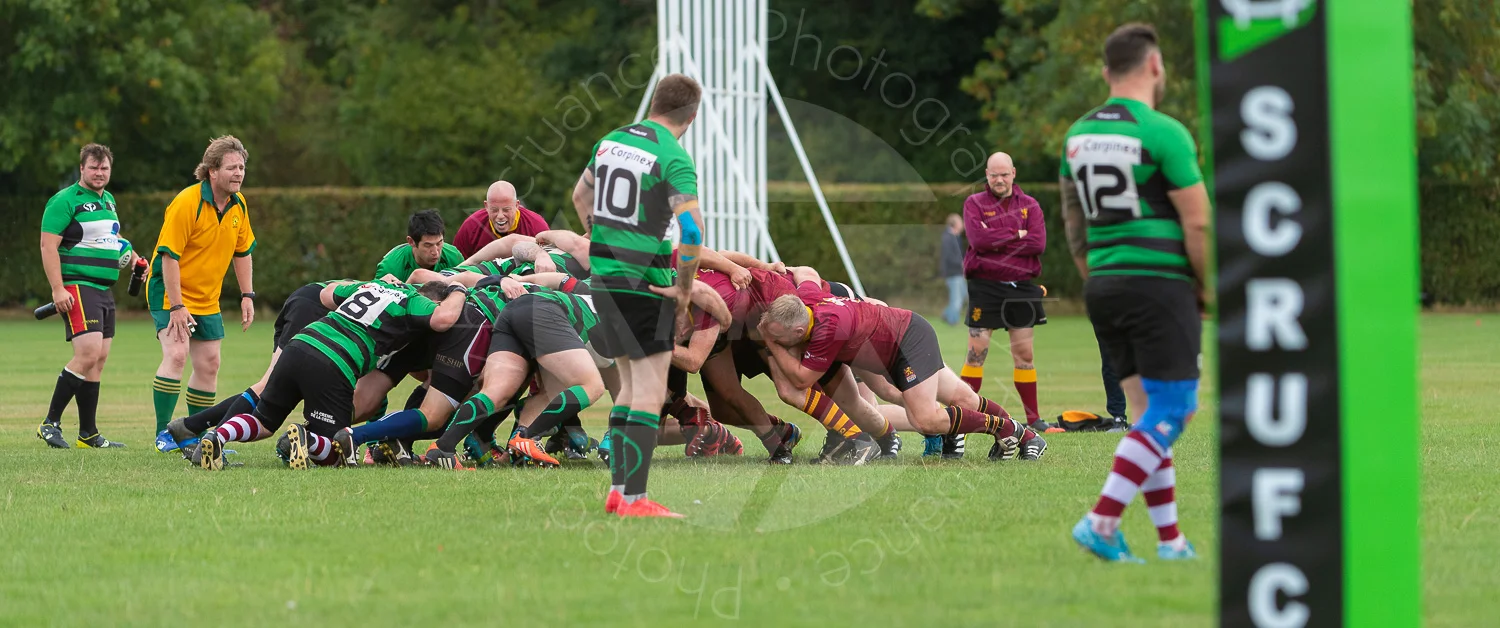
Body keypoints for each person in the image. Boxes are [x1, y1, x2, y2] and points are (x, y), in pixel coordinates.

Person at [1059, 23, 1211, 563]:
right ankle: (1101, 521)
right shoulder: (1164, 132)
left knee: (1145, 410)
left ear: (1106, 73)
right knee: (1176, 407)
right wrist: (1208, 287)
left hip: (1104, 284)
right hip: (1158, 285)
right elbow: (1199, 225)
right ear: (1155, 66)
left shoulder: (1076, 137)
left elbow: (1074, 226)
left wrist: (1096, 276)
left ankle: (1171, 543)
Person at [573, 73, 706, 519]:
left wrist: (600, 240)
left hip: (604, 281)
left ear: (654, 102)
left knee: (629, 387)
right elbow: (691, 230)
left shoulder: (609, 142)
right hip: (646, 285)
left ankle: (618, 492)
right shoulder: (674, 156)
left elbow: (580, 195)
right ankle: (634, 499)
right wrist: (684, 290)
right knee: (649, 391)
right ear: (691, 116)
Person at [198, 279, 466, 470]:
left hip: (300, 344)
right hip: (334, 362)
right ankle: (308, 439)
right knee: (335, 453)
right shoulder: (414, 301)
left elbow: (327, 294)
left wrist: (369, 284)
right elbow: (443, 318)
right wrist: (458, 288)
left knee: (264, 422)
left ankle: (218, 436)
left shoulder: (372, 286)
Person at [756, 287, 1047, 461]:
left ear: (797, 331)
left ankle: (1009, 430)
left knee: (926, 419)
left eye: (779, 338)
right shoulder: (805, 301)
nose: (777, 342)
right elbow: (806, 274)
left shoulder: (827, 328)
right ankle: (1030, 438)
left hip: (908, 342)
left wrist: (767, 341)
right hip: (903, 336)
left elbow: (801, 380)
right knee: (962, 399)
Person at [147, 136, 256, 438]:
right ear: (212, 171)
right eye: (232, 168)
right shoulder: (187, 202)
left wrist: (247, 295)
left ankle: (195, 434)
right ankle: (163, 435)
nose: (239, 173)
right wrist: (178, 306)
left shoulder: (239, 205)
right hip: (169, 291)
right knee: (178, 354)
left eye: (242, 167)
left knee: (209, 364)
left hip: (207, 297)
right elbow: (169, 257)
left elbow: (242, 251)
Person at [37, 143, 133, 449]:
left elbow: (112, 237)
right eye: (94, 167)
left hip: (105, 290)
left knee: (99, 360)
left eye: (104, 168)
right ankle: (50, 423)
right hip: (79, 285)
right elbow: (47, 245)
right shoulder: (64, 200)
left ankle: (88, 434)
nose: (99, 173)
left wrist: (132, 256)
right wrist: (57, 288)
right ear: (82, 168)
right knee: (88, 354)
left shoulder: (108, 200)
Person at [960, 152, 1055, 434]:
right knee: (976, 353)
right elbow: (978, 239)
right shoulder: (974, 203)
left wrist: (997, 238)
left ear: (1013, 173)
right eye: (993, 175)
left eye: (1004, 174)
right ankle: (963, 417)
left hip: (1022, 287)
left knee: (1024, 354)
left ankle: (1034, 418)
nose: (999, 180)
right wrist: (1018, 234)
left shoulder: (1030, 205)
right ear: (986, 175)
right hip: (984, 285)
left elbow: (1037, 243)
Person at [452, 180, 550, 258]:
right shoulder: (471, 226)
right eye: (494, 210)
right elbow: (456, 265)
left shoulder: (537, 226)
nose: (500, 216)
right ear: (486, 206)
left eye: (506, 210)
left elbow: (553, 261)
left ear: (517, 205)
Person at [375, 209, 464, 280]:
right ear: (411, 242)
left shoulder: (454, 256)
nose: (435, 252)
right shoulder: (390, 268)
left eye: (439, 243)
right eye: (428, 245)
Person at [939, 213, 966, 326]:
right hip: (952, 273)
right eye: (960, 222)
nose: (963, 224)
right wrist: (961, 264)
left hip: (959, 273)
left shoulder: (956, 237)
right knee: (956, 300)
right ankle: (952, 321)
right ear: (954, 224)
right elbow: (948, 257)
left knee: (963, 295)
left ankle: (946, 314)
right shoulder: (947, 238)